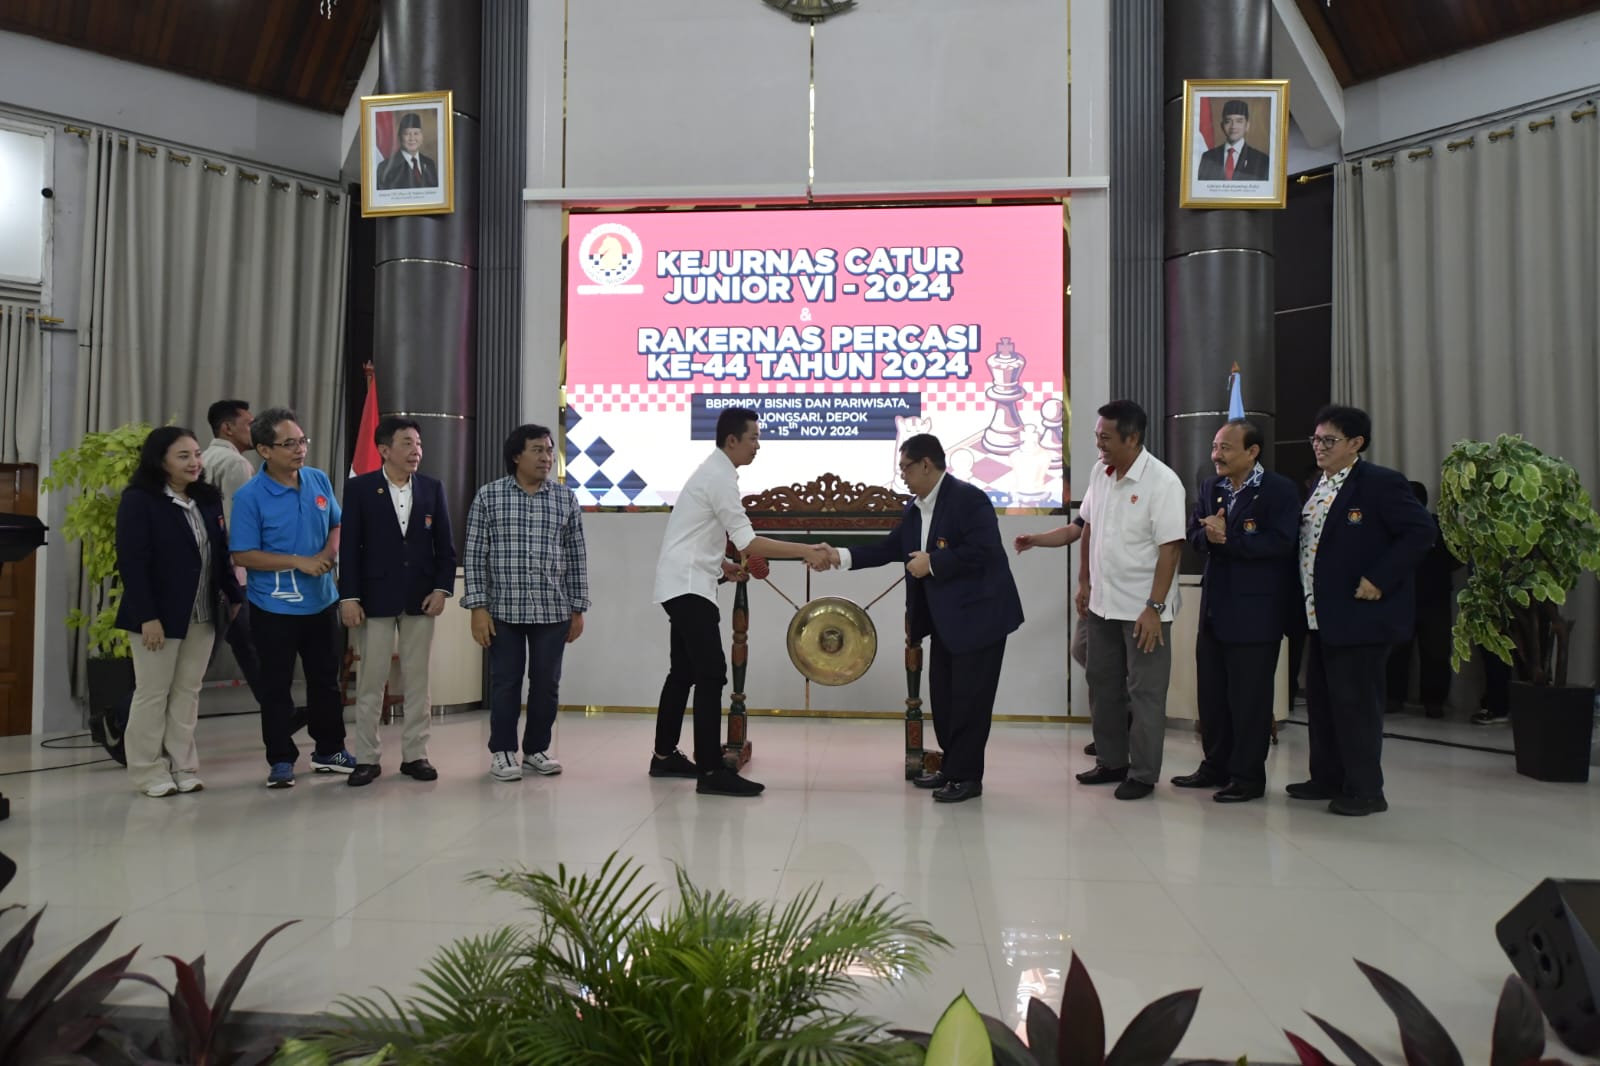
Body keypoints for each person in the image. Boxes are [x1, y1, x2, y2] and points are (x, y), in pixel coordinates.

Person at [823, 433, 1024, 803]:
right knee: (945, 699)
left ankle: (967, 778)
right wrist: (838, 555)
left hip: (980, 618)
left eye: (906, 469)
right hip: (945, 621)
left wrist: (932, 562)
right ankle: (950, 769)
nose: (903, 477)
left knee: (970, 701)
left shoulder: (969, 499)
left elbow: (983, 551)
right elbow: (889, 548)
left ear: (927, 464)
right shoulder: (915, 508)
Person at [651, 407, 832, 797]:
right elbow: (749, 542)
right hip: (687, 585)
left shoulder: (713, 473)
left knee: (683, 673)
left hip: (684, 580)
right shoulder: (718, 477)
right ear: (731, 440)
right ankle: (711, 772)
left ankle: (664, 755)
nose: (758, 446)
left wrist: (726, 565)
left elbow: (695, 536)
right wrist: (805, 550)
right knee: (712, 674)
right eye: (753, 438)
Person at [1291, 405, 1435, 816]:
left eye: (1329, 440)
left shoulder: (1379, 484)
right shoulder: (1317, 485)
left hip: (1360, 617)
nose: (1319, 447)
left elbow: (1421, 531)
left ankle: (1366, 789)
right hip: (1319, 615)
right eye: (1316, 439)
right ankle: (1327, 778)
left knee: (1356, 707)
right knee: (1321, 702)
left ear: (1356, 444)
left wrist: (1380, 578)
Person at [1171, 420, 1300, 802]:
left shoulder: (1279, 490)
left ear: (1253, 451)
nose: (1216, 455)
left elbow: (1281, 543)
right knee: (1212, 697)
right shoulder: (1212, 486)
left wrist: (1229, 538)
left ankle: (1247, 778)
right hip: (1214, 611)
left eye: (1225, 447)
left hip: (1256, 615)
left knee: (1249, 701)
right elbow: (1194, 533)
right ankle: (1215, 766)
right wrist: (1207, 536)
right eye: (1214, 446)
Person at [229, 407, 355, 788]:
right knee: (276, 685)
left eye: (302, 441)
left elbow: (337, 523)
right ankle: (281, 758)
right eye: (289, 444)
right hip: (274, 608)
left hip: (321, 602)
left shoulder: (317, 480)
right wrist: (298, 562)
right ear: (264, 450)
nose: (300, 449)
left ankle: (329, 749)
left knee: (325, 682)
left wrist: (329, 554)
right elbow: (242, 555)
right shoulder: (250, 496)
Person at [115, 427, 242, 797]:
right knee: (153, 693)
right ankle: (147, 770)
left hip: (202, 614)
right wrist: (146, 616)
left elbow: (219, 554)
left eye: (197, 454)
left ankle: (183, 765)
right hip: (157, 617)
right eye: (183, 456)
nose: (195, 463)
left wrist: (234, 597)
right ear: (161, 461)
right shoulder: (140, 500)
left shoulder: (207, 499)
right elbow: (133, 563)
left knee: (188, 692)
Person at [462, 424, 588, 783]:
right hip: (503, 609)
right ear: (516, 455)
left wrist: (578, 608)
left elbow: (576, 556)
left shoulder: (565, 499)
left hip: (552, 609)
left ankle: (536, 749)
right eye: (537, 450)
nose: (546, 457)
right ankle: (502, 751)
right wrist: (477, 607)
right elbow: (474, 556)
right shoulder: (489, 496)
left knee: (547, 682)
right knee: (505, 682)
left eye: (549, 450)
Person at [1074, 400, 1186, 800]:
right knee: (1102, 685)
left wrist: (1154, 609)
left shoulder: (1163, 482)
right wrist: (1084, 583)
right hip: (1102, 605)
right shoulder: (1100, 473)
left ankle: (1142, 773)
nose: (1099, 444)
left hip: (1143, 612)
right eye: (1097, 436)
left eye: (1106, 437)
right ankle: (1111, 761)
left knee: (1145, 693)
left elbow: (1171, 549)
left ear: (1132, 438)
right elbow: (1087, 527)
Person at [338, 417, 457, 786]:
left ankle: (415, 755)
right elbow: (350, 548)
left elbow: (446, 549)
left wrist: (441, 590)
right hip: (373, 599)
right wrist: (350, 597)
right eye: (407, 443)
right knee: (371, 681)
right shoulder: (360, 489)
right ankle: (368, 758)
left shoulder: (432, 489)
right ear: (384, 450)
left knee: (418, 680)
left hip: (420, 599)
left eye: (419, 443)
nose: (416, 450)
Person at [200, 400, 278, 721]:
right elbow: (239, 528)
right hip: (233, 577)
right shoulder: (235, 465)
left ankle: (278, 713)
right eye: (248, 423)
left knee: (247, 650)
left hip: (210, 573)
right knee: (246, 649)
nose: (255, 428)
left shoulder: (203, 458)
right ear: (227, 428)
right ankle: (278, 712)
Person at [1015, 515, 1095, 753]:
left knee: (1108, 666)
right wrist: (1036, 539)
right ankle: (1110, 732)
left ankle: (1120, 730)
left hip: (1126, 592)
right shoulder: (1098, 485)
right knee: (1084, 651)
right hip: (1095, 589)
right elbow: (1074, 530)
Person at [1385, 481, 1461, 718]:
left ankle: (1432, 700)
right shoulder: (1392, 527)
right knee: (1398, 650)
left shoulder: (1441, 526)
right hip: (1402, 597)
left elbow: (1459, 557)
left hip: (1432, 598)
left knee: (1435, 652)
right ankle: (1395, 697)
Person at [1198, 100, 1270, 181]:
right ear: (1222, 126)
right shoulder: (1208, 157)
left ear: (1247, 126)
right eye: (1228, 121)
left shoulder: (1261, 160)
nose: (1233, 126)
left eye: (1239, 121)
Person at [375, 113, 439, 190]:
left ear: (422, 137)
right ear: (399, 136)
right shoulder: (385, 168)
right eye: (407, 134)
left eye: (416, 133)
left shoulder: (429, 164)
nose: (412, 138)